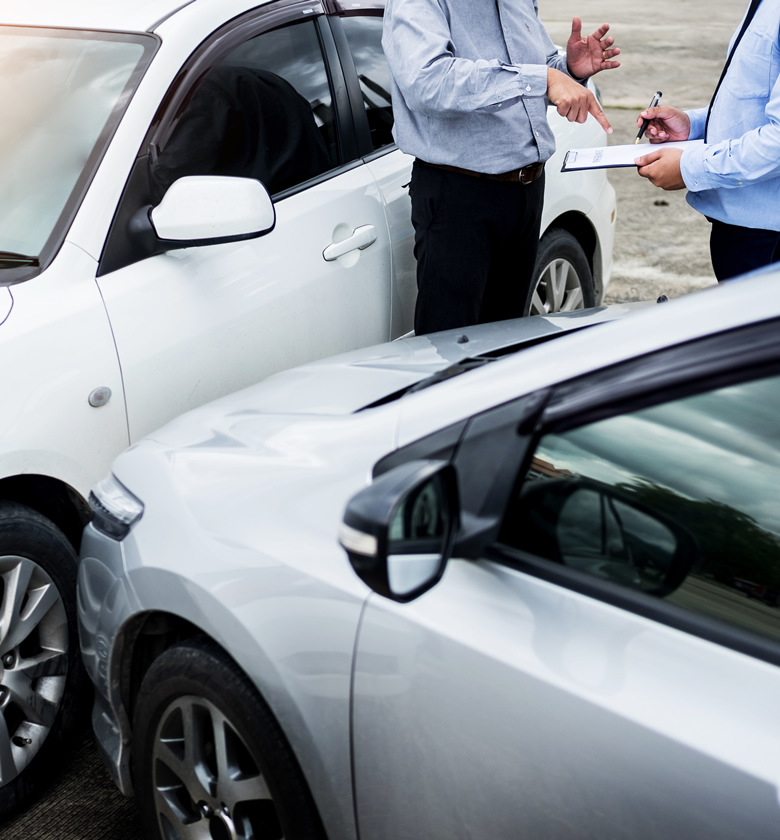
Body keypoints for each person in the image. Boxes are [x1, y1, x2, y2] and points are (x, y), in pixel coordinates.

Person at [382, 1, 620, 334]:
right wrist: (543, 77)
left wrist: (568, 68)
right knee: (452, 349)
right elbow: (428, 82)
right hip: (461, 197)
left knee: (506, 337)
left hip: (527, 188)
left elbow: (534, 70)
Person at [635, 0, 780, 281]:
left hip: (767, 241)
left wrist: (689, 168)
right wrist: (694, 126)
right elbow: (755, 100)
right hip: (746, 232)